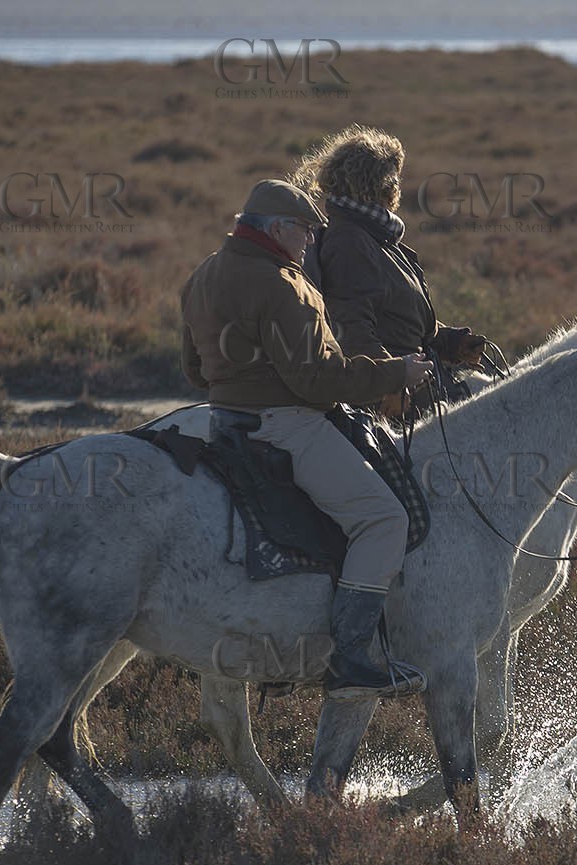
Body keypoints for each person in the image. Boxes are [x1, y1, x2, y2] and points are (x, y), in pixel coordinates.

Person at [179, 178, 428, 699]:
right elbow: (318, 383)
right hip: (287, 423)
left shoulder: (202, 274)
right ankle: (353, 656)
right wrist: (396, 374)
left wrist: (238, 388)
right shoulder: (281, 284)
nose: (312, 240)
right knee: (385, 519)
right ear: (276, 228)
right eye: (305, 230)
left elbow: (194, 372)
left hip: (223, 420)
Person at [290, 125, 495, 420]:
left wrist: (451, 342)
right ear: (383, 186)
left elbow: (397, 320)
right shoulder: (349, 241)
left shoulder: (375, 235)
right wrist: (391, 383)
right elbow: (352, 328)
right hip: (395, 408)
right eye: (395, 178)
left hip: (417, 389)